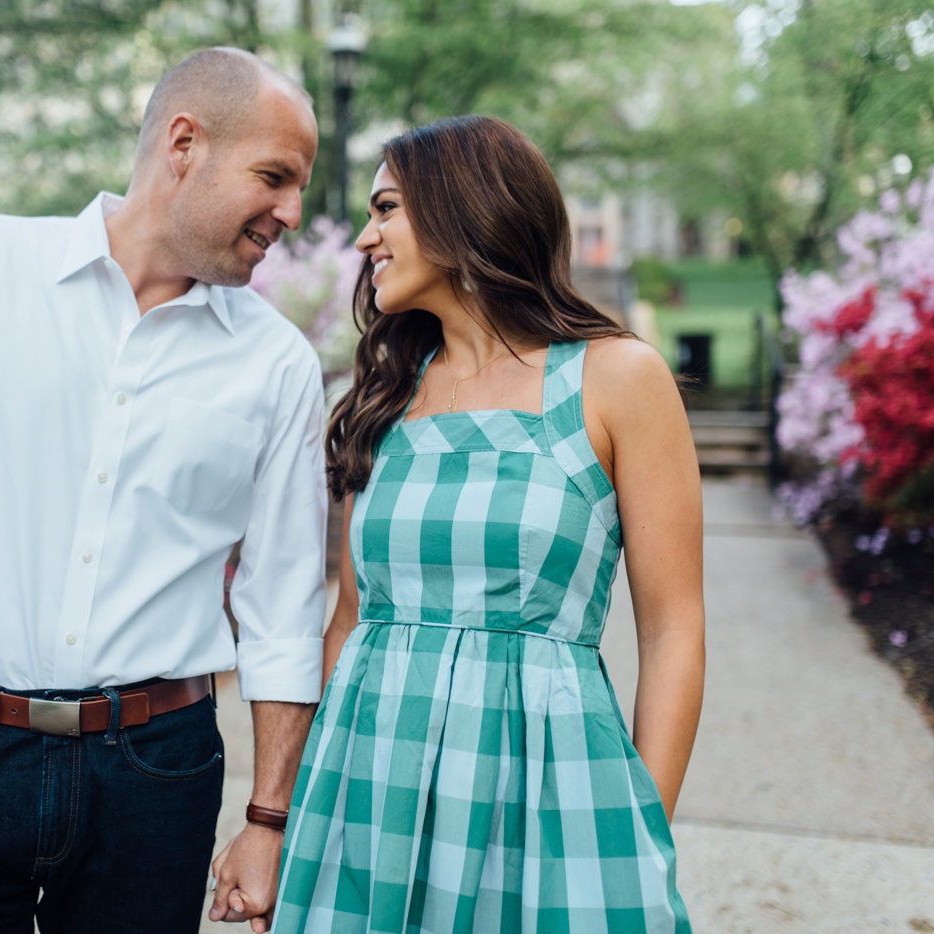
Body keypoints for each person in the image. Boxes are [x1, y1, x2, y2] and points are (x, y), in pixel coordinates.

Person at [0, 47, 328, 933]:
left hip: (157, 780)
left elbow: (283, 609)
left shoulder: (278, 364)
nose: (290, 211)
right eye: (274, 177)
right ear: (184, 143)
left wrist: (266, 820)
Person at [272, 115, 705, 933]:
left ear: (460, 208)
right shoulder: (387, 395)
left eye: (386, 208)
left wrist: (643, 828)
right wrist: (294, 813)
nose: (366, 238)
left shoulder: (617, 379)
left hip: (546, 789)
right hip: (372, 794)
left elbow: (674, 629)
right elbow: (351, 621)